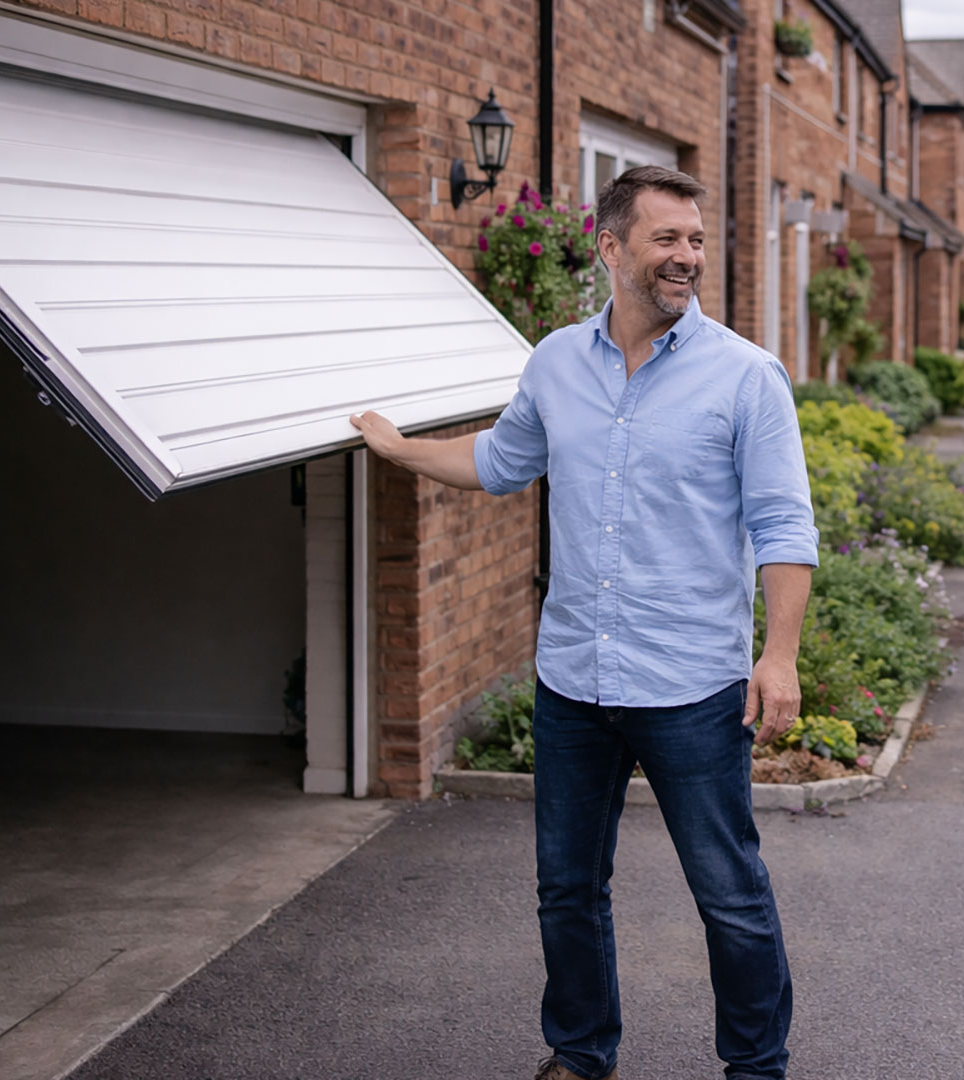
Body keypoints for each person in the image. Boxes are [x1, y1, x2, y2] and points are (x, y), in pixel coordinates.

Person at [350, 165, 817, 1080]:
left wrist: (780, 654)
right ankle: (580, 1052)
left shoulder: (747, 378)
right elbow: (499, 461)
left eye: (695, 240)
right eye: (667, 239)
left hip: (690, 687)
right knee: (567, 890)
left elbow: (783, 525)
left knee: (729, 895)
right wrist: (401, 448)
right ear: (611, 247)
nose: (687, 257)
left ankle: (756, 1068)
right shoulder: (556, 362)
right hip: (572, 680)